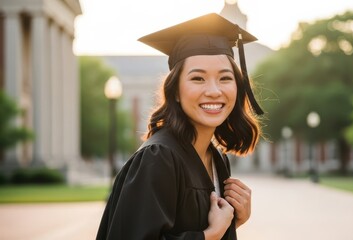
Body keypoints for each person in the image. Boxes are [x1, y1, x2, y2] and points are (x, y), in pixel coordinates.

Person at [96, 13, 263, 240]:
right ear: (175, 90)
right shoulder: (158, 158)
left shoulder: (216, 158)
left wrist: (233, 222)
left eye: (225, 78)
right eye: (198, 79)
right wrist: (211, 235)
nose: (214, 90)